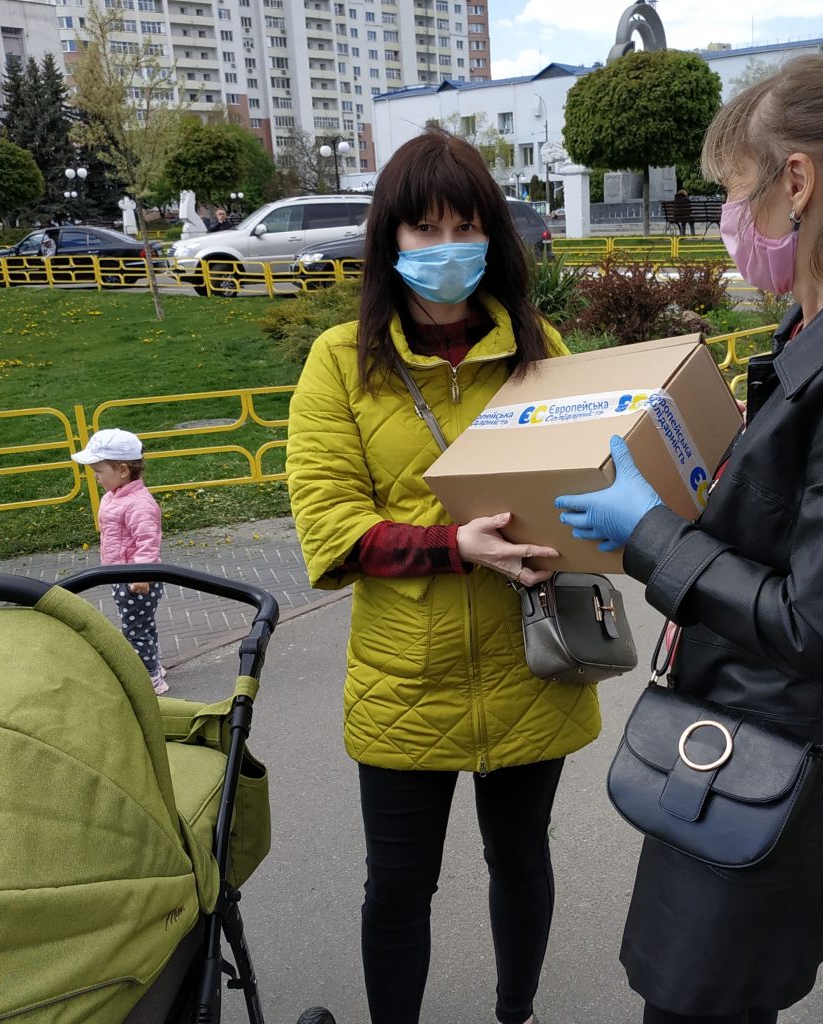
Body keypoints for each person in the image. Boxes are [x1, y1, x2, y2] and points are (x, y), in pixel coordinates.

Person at [555, 54, 823, 1024]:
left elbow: (822, 625)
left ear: (795, 181)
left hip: (769, 750)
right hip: (742, 734)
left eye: (732, 191)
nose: (729, 219)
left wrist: (647, 535)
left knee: (695, 1002)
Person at [286, 127, 601, 1024]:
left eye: (464, 227)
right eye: (424, 229)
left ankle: (515, 1014)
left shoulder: (540, 348)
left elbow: (585, 482)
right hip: (403, 680)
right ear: (389, 237)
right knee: (397, 886)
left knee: (522, 861)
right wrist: (453, 545)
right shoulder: (339, 362)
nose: (446, 247)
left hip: (533, 662)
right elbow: (329, 528)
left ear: (491, 235)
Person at [72, 428, 168, 696]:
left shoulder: (139, 504)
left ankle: (149, 679)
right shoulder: (116, 496)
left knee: (135, 630)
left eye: (99, 471)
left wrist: (142, 574)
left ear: (123, 470)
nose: (95, 476)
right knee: (142, 625)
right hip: (121, 575)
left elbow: (147, 541)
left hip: (137, 580)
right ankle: (155, 667)